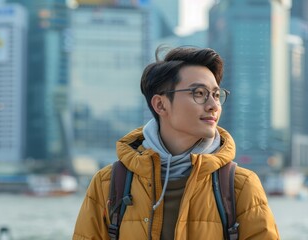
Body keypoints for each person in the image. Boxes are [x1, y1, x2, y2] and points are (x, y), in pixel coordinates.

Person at [73, 46, 280, 239]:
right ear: (160, 105)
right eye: (199, 93)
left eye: (216, 95)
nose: (213, 105)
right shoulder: (108, 183)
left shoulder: (240, 186)